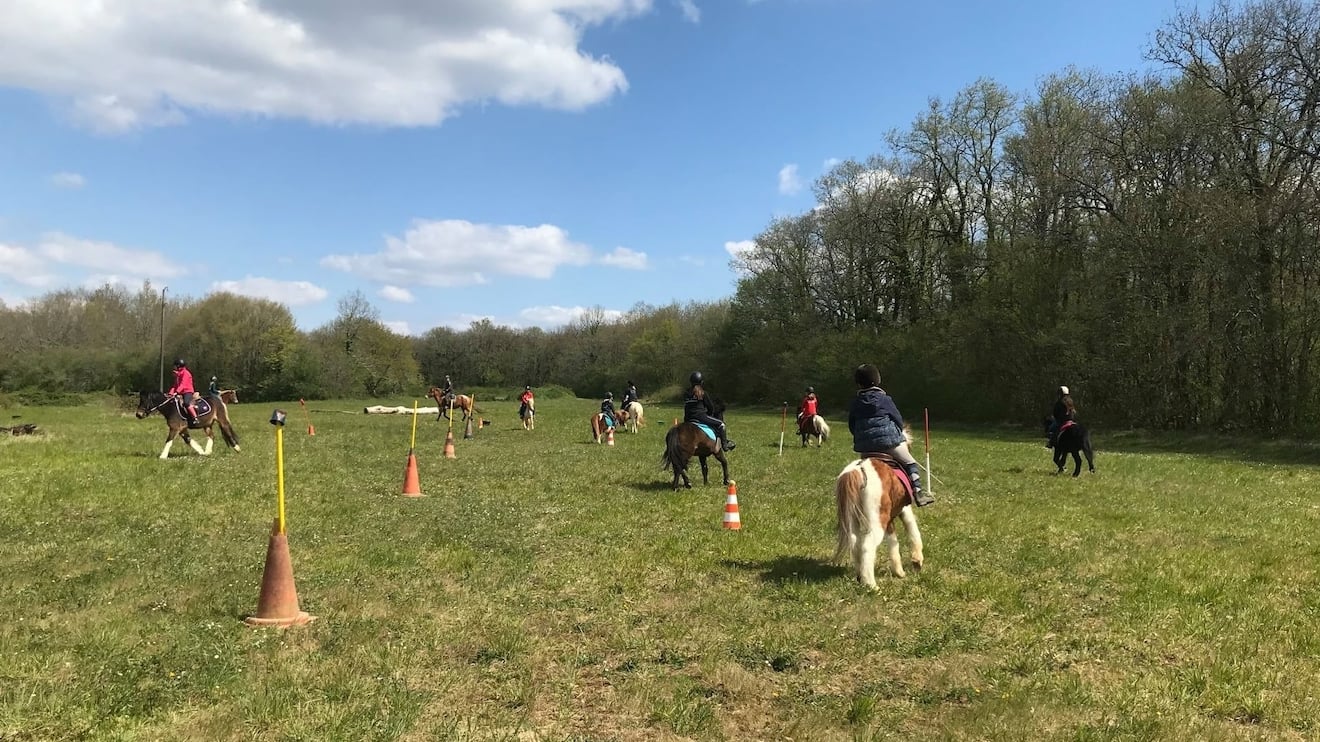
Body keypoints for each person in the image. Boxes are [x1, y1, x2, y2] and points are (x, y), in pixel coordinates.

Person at [848, 364, 932, 507]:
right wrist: (899, 434)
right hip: (888, 443)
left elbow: (852, 424)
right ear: (877, 380)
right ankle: (918, 493)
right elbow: (897, 419)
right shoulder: (885, 399)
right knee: (910, 462)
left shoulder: (856, 403)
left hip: (865, 448)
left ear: (858, 383)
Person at [683, 371, 735, 451]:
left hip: (688, 418)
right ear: (701, 382)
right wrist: (709, 415)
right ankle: (725, 445)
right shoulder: (703, 393)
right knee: (721, 424)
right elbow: (711, 408)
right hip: (701, 417)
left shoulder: (686, 394)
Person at [168, 358, 198, 424]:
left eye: (175, 366)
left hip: (187, 391)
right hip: (181, 392)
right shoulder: (178, 375)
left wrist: (176, 392)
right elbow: (175, 385)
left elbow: (183, 384)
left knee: (186, 403)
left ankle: (195, 417)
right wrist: (170, 393)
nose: (174, 367)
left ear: (178, 366)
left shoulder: (186, 373)